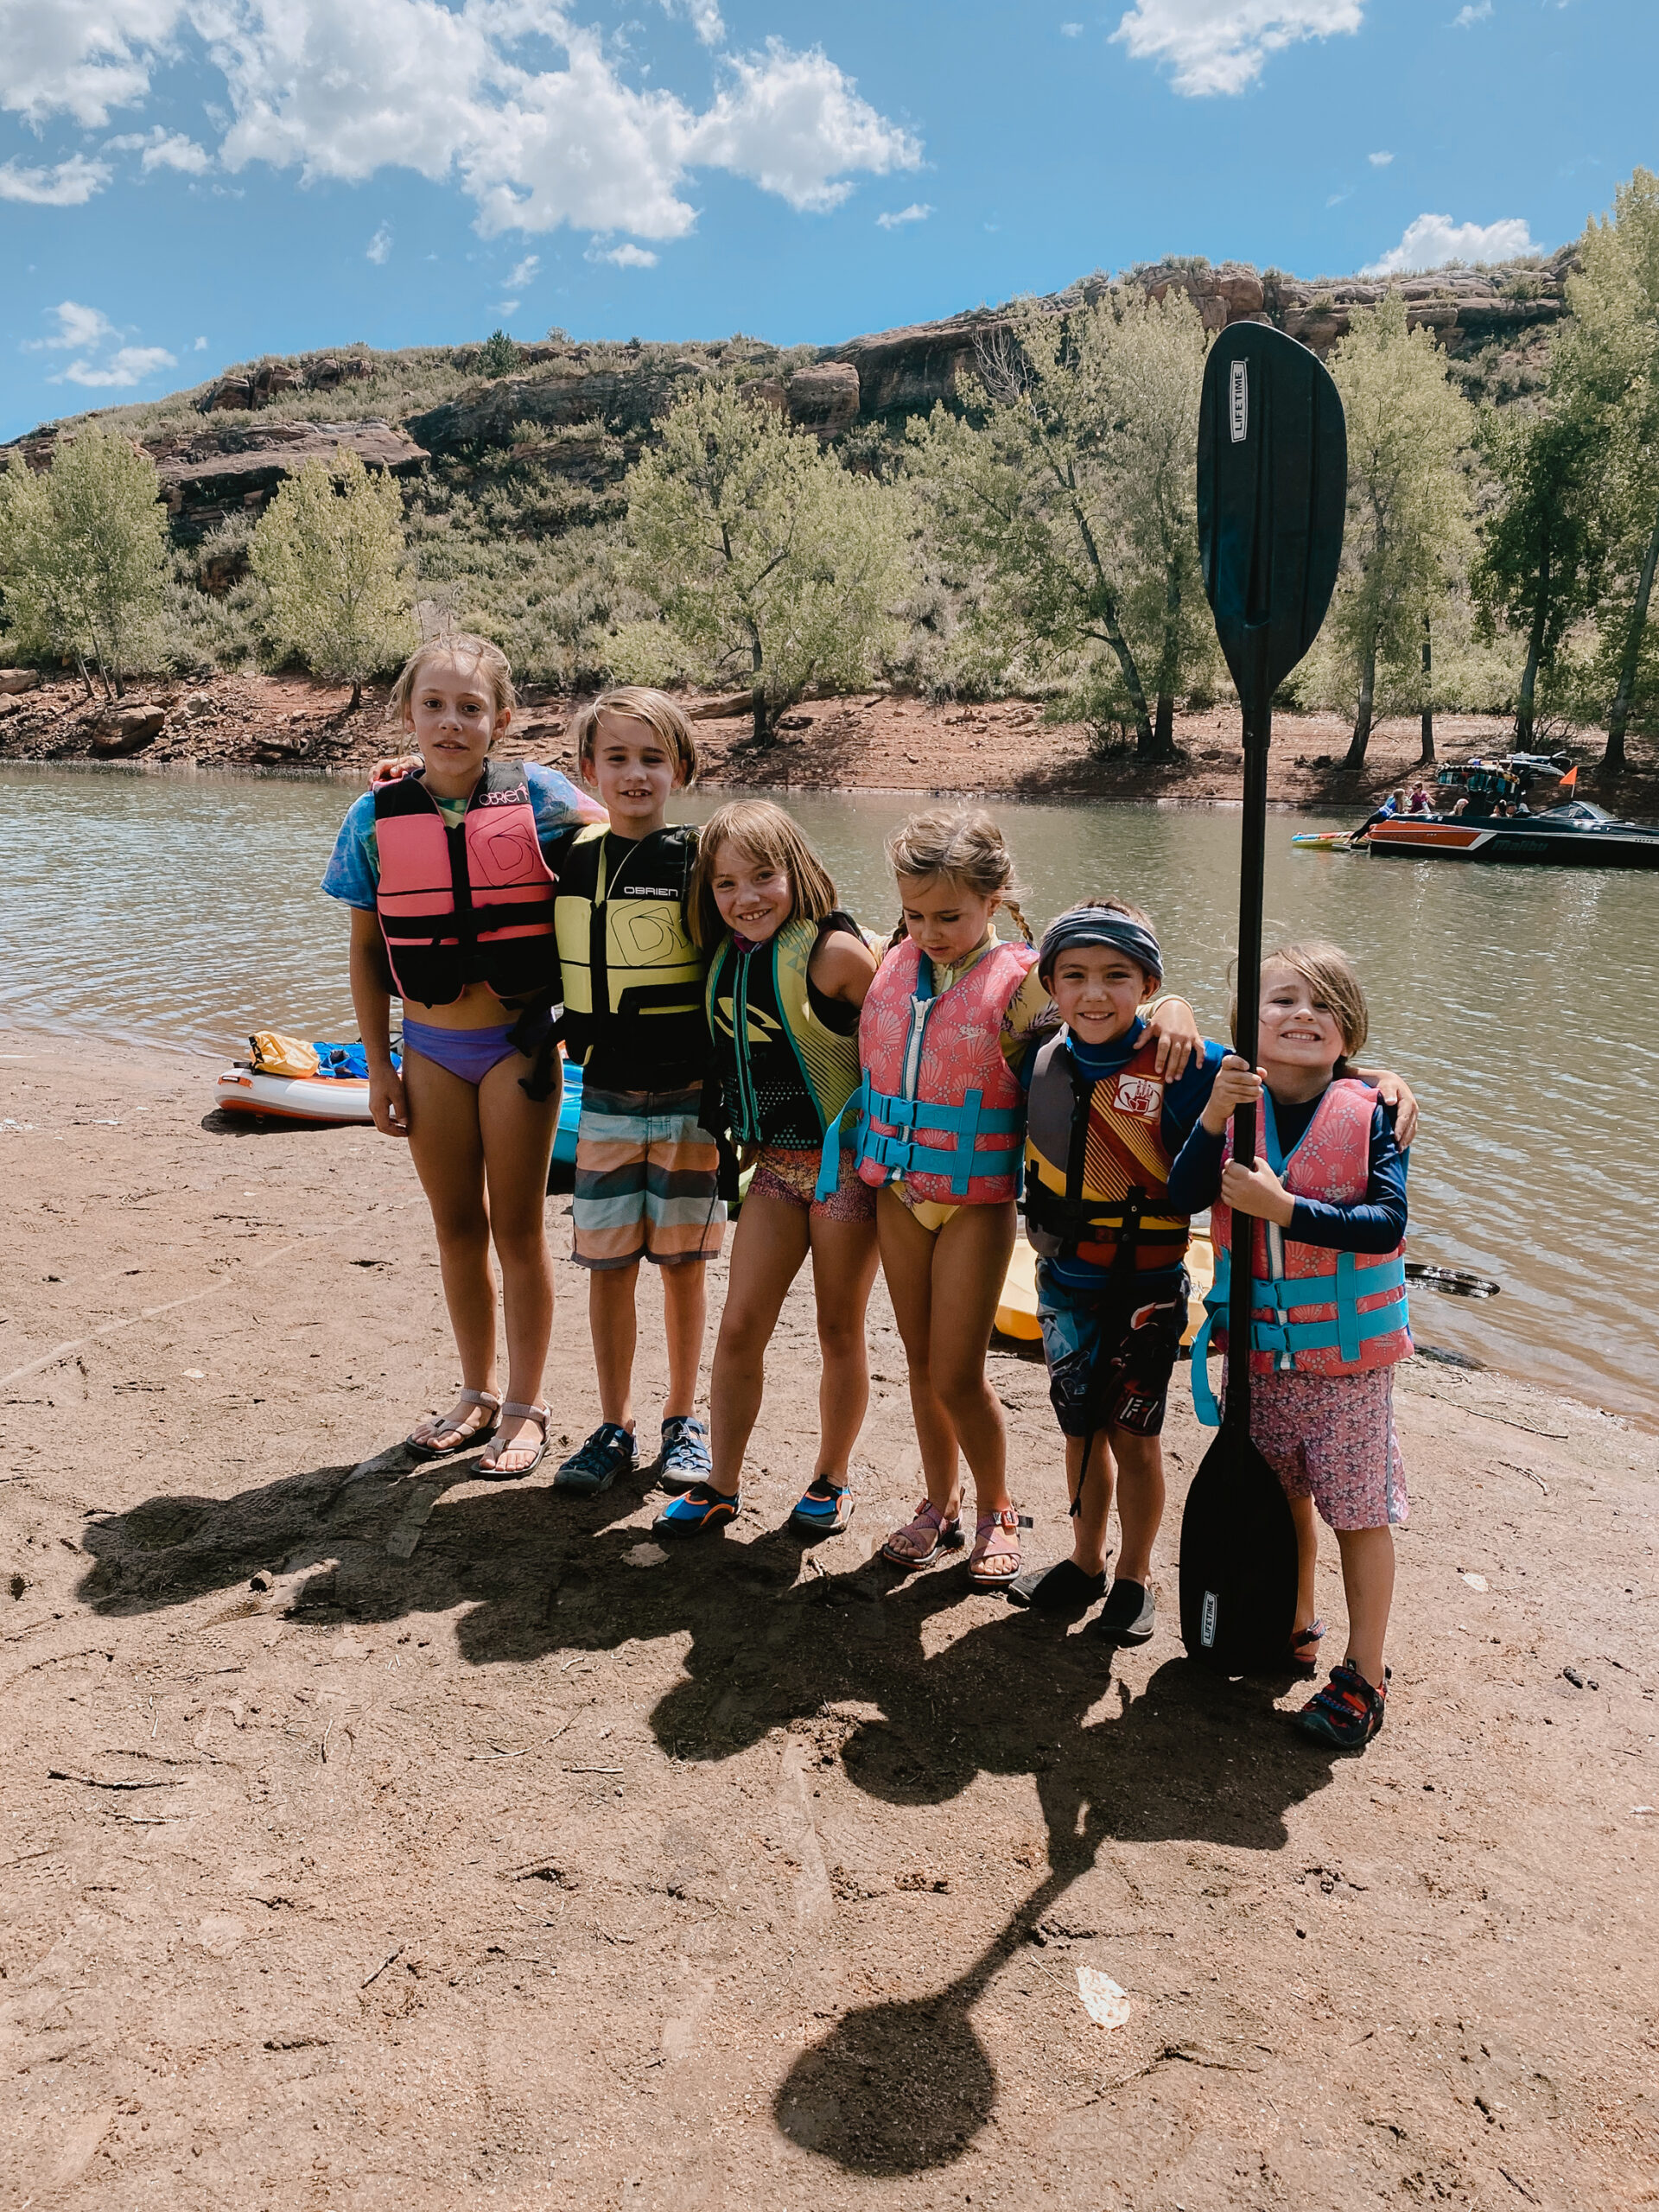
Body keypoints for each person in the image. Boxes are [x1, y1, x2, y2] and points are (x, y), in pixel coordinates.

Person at [855, 808, 1205, 1591]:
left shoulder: (1024, 985)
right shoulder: (888, 960)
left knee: (957, 1372)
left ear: (995, 898)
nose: (931, 930)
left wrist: (1173, 1004)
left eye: (950, 915)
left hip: (974, 1202)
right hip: (899, 1191)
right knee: (918, 1365)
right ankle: (937, 1504)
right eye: (916, 914)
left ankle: (997, 1508)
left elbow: (1110, 1011)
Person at [322, 634, 603, 1476]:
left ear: (502, 719)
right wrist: (380, 1067)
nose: (451, 722)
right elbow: (368, 954)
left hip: (516, 1045)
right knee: (456, 1229)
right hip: (432, 1051)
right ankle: (475, 1393)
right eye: (434, 705)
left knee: (518, 1228)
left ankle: (525, 1404)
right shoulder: (373, 817)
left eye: (470, 707)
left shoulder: (546, 799)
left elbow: (626, 844)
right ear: (407, 713)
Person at [1172, 943, 1412, 1751]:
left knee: (1358, 1513)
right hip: (1259, 1358)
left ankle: (1365, 1673)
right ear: (1251, 1021)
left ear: (1350, 1032)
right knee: (1280, 1503)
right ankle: (1293, 1623)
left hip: (1347, 1368)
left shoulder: (1375, 1109)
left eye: (1323, 1004)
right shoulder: (1233, 1101)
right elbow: (1181, 1194)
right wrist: (1211, 1115)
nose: (1301, 1015)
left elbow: (1387, 1223)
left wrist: (1285, 1209)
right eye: (1281, 1001)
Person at [652, 801, 880, 1539]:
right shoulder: (727, 956)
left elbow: (908, 1025)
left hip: (844, 1174)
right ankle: (720, 1483)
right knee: (740, 1325)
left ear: (798, 871)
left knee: (839, 1329)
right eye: (725, 885)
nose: (746, 897)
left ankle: (832, 1476)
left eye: (763, 876)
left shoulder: (835, 953)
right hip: (775, 1174)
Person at [1007, 901, 1229, 1645]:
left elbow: (1298, 1068)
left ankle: (1134, 1576)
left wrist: (1375, 1076)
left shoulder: (1184, 1061)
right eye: (1073, 976)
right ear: (1051, 986)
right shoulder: (1041, 1052)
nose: (1094, 994)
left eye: (1117, 977)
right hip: (1066, 1278)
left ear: (1147, 984)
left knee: (1132, 1435)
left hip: (1146, 1289)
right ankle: (1085, 1557)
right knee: (1078, 1429)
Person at [543, 688, 725, 1497]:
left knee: (684, 1267)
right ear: (588, 770)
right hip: (607, 1094)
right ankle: (612, 1423)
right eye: (616, 758)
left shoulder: (704, 860)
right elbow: (477, 792)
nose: (635, 773)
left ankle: (684, 1418)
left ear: (681, 769)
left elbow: (788, 915)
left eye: (652, 758)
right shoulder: (569, 855)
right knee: (609, 1266)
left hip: (690, 1098)